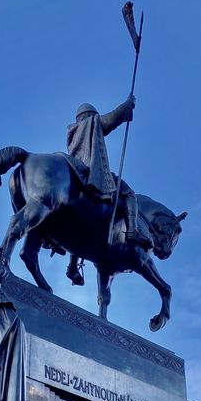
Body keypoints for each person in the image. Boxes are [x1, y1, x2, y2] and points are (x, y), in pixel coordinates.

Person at [64, 96, 152, 285]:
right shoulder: (92, 123)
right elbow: (112, 119)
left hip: (75, 170)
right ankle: (132, 232)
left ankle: (72, 266)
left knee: (76, 220)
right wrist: (127, 106)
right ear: (90, 116)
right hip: (91, 171)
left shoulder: (72, 131)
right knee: (129, 193)